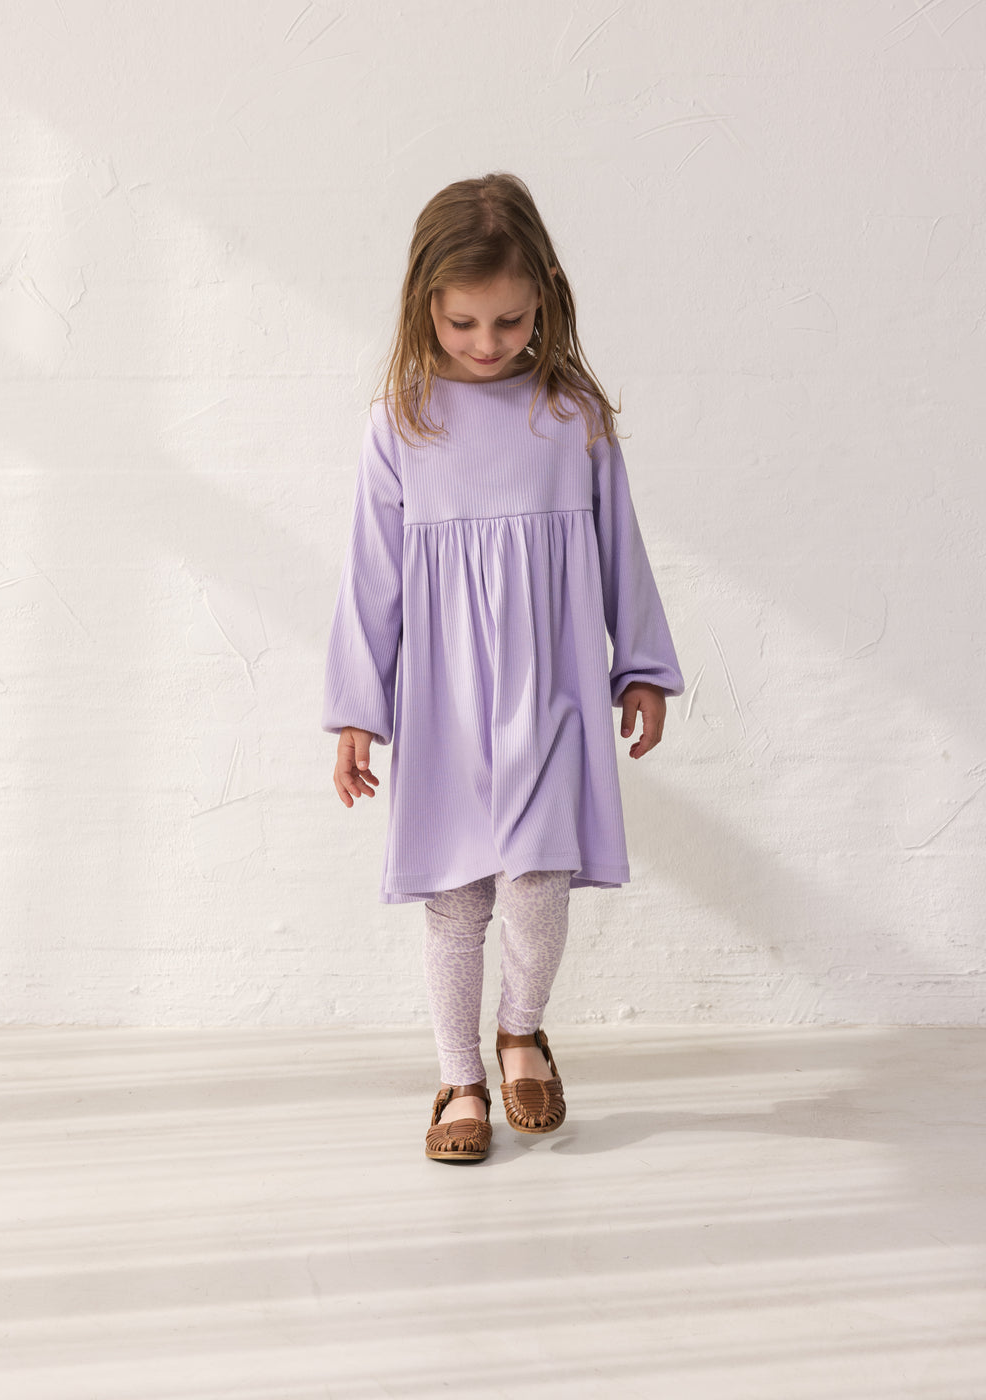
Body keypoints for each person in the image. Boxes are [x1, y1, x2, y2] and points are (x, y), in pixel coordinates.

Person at [321, 172, 684, 1164]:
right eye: (462, 323)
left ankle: (521, 1028)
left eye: (510, 321)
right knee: (457, 896)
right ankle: (459, 1074)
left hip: (553, 688)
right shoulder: (402, 423)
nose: (486, 343)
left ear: (546, 299)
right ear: (424, 307)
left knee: (537, 878)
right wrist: (358, 711)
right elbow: (371, 578)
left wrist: (640, 667)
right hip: (443, 700)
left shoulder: (571, 417)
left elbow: (620, 550)